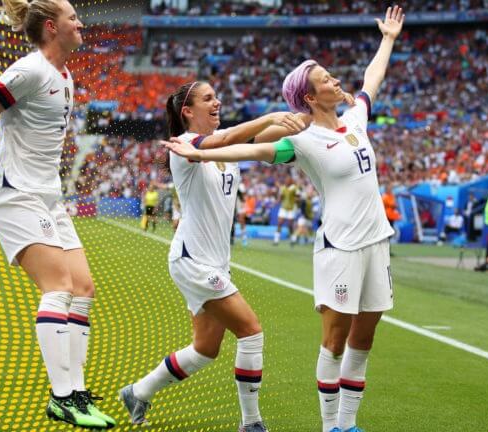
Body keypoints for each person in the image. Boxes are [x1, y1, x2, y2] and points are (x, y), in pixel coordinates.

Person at [163, 7, 404, 432]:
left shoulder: (356, 120)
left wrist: (387, 38)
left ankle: (348, 424)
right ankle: (331, 427)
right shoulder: (303, 141)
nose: (335, 81)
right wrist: (201, 153)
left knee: (363, 340)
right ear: (309, 97)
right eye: (325, 79)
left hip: (377, 242)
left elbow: (372, 80)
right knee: (334, 342)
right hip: (340, 245)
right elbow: (254, 150)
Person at [0, 0, 114, 428]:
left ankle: (76, 393)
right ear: (52, 27)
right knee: (57, 286)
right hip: (15, 193)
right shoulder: (29, 70)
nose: (81, 23)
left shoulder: (65, 75)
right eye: (73, 17)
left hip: (49, 198)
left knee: (83, 287)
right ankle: (62, 399)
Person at [118, 81, 306, 432]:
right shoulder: (185, 145)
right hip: (193, 261)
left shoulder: (226, 149)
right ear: (188, 112)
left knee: (204, 350)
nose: (217, 101)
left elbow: (268, 138)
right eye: (208, 98)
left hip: (211, 262)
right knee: (251, 332)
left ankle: (138, 391)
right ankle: (251, 423)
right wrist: (272, 115)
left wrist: (310, 118)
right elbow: (224, 139)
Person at [275, 175, 299, 245]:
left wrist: (296, 200)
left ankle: (293, 237)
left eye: (288, 180)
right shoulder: (282, 188)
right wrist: (277, 201)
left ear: (291, 181)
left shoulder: (295, 188)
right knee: (279, 223)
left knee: (289, 225)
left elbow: (298, 197)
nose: (286, 181)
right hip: (283, 208)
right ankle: (276, 240)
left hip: (291, 208)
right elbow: (280, 197)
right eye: (286, 180)